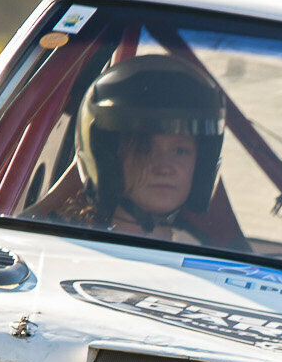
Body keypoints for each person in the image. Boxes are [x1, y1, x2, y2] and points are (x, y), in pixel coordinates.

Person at [54, 56, 226, 242]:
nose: (164, 168)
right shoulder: (58, 247)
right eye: (145, 150)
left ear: (201, 163)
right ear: (108, 159)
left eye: (180, 151)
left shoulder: (208, 255)